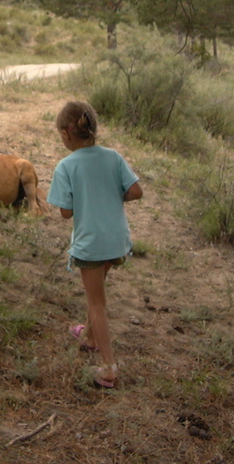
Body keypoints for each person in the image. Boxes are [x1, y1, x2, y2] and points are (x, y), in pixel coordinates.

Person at [47, 101, 143, 388]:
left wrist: (85, 199)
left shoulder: (66, 166)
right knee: (97, 292)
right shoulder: (113, 157)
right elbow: (136, 191)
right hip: (117, 241)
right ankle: (88, 336)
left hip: (91, 243)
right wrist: (110, 196)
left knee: (96, 303)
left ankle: (109, 368)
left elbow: (65, 212)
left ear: (66, 133)